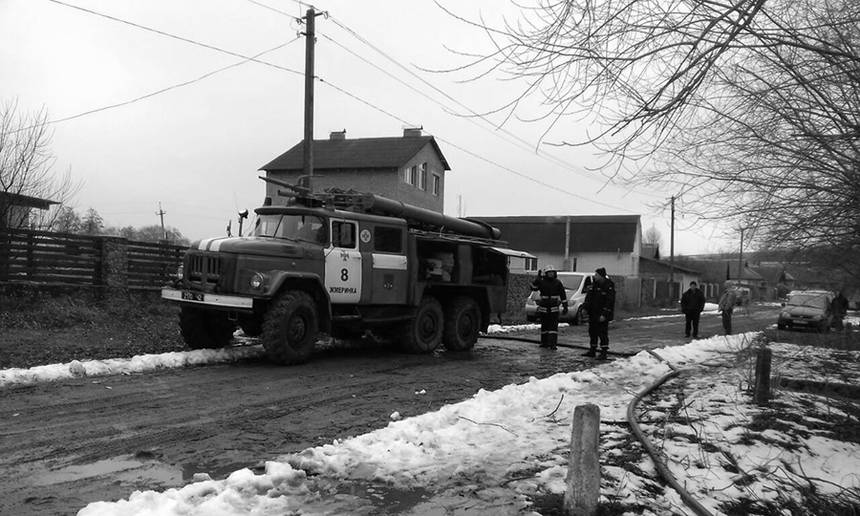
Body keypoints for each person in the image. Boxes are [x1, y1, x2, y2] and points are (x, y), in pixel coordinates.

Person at [531, 265, 568, 349]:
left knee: (553, 327)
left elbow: (563, 295)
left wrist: (565, 306)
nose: (551, 274)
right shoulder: (542, 281)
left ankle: (552, 344)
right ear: (546, 273)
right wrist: (536, 280)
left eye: (552, 272)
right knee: (544, 326)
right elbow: (533, 288)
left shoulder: (558, 282)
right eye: (549, 273)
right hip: (544, 307)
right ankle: (544, 343)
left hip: (554, 307)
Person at [583, 267, 615, 360]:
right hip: (593, 313)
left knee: (602, 333)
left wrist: (604, 314)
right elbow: (589, 298)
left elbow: (610, 301)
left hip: (602, 314)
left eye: (597, 275)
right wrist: (585, 308)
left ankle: (604, 352)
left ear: (601, 276)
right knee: (592, 332)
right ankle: (592, 350)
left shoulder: (608, 285)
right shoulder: (594, 285)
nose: (595, 276)